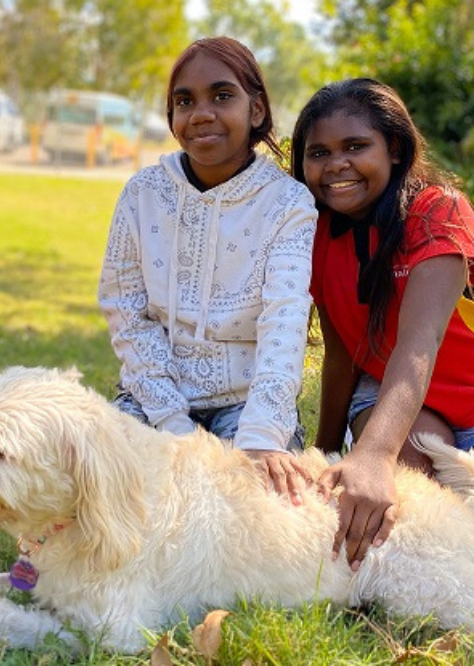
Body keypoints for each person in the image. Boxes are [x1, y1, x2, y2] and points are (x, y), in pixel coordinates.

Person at [290, 78, 474, 571]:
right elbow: (340, 352)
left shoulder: (436, 210)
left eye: (356, 146)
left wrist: (375, 453)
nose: (337, 164)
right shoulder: (310, 231)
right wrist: (326, 451)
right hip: (390, 396)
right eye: (318, 152)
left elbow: (419, 343)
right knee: (407, 510)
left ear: (395, 149)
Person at [98, 37, 318, 504]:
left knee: (252, 506)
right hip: (154, 400)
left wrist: (260, 440)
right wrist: (174, 429)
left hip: (247, 405)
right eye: (185, 101)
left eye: (222, 96)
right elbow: (126, 311)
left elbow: (285, 320)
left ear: (256, 110)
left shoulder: (288, 203)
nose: (200, 113)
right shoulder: (143, 194)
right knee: (103, 489)